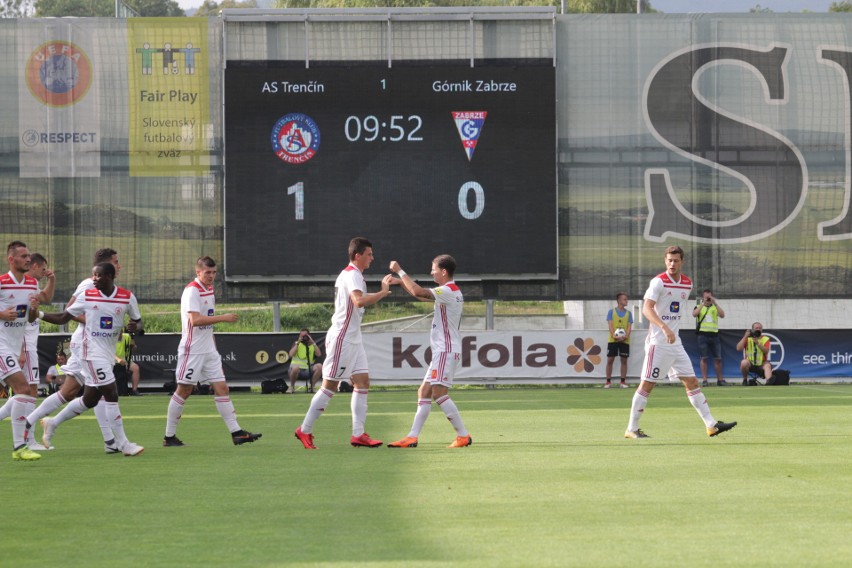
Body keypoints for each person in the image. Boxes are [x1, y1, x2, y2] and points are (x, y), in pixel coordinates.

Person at [624, 246, 737, 439]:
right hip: (658, 342)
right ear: (665, 261)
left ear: (682, 262)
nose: (672, 264)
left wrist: (671, 330)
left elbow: (673, 310)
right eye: (669, 260)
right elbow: (647, 309)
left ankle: (711, 425)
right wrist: (664, 327)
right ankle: (631, 429)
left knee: (692, 382)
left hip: (675, 343)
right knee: (647, 385)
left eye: (676, 261)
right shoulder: (658, 282)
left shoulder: (687, 284)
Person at [294, 237, 397, 450]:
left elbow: (358, 301)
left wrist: (379, 292)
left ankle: (358, 434)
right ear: (357, 255)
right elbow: (358, 301)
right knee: (329, 386)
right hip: (343, 337)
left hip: (353, 337)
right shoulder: (352, 275)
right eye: (369, 254)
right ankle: (304, 430)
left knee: (362, 382)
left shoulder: (351, 274)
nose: (372, 258)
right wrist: (383, 292)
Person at [33, 262, 145, 456]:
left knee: (90, 399)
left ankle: (52, 423)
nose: (94, 279)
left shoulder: (127, 297)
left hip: (107, 354)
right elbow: (63, 317)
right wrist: (39, 314)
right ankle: (123, 443)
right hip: (90, 353)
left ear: (110, 276)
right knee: (111, 393)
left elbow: (139, 321)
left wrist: (137, 327)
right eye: (93, 275)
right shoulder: (87, 295)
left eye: (98, 275)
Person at [163, 256, 261, 447]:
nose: (211, 276)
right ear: (198, 272)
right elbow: (195, 321)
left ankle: (237, 433)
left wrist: (213, 344)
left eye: (214, 272)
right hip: (193, 350)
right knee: (184, 390)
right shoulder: (192, 290)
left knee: (222, 388)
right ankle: (169, 436)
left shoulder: (209, 289)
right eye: (207, 272)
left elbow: (205, 320)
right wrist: (223, 318)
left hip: (208, 350)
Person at [387, 256, 472, 449]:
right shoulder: (450, 290)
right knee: (424, 391)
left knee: (439, 393)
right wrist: (401, 283)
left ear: (443, 272)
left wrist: (400, 271)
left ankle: (463, 435)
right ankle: (412, 437)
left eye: (433, 269)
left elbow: (419, 291)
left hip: (445, 351)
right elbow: (420, 294)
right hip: (443, 351)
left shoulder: (448, 290)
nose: (431, 272)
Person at [0, 252, 55, 451]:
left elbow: (34, 313)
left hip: (20, 345)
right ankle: (26, 442)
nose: (42, 271)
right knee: (28, 391)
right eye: (25, 257)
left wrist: (34, 308)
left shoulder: (31, 285)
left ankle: (24, 443)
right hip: (20, 346)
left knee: (23, 392)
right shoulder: (4, 282)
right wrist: (23, 350)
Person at [693, 288, 727, 386]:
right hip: (702, 335)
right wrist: (703, 304)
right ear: (703, 297)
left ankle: (720, 380)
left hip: (714, 335)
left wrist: (715, 303)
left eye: (709, 296)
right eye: (706, 297)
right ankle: (704, 380)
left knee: (718, 358)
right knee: (704, 358)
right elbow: (694, 314)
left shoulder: (714, 307)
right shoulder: (699, 306)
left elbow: (722, 315)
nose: (708, 298)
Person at [604, 292, 632, 389]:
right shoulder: (611, 312)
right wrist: (614, 336)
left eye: (626, 299)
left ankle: (623, 382)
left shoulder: (629, 313)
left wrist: (626, 336)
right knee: (610, 360)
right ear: (619, 300)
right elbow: (610, 325)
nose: (626, 301)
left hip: (625, 340)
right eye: (625, 299)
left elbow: (629, 327)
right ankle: (608, 382)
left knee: (624, 361)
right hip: (613, 340)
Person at [288, 328, 322, 393]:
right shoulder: (296, 343)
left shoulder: (312, 345)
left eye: (305, 336)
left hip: (308, 370)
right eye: (302, 336)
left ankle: (312, 387)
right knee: (295, 367)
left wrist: (313, 342)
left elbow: (319, 354)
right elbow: (291, 354)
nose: (304, 338)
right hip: (296, 371)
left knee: (319, 366)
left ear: (309, 335)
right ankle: (291, 387)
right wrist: (298, 343)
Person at [115, 330, 142, 396]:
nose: (119, 332)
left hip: (125, 360)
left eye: (120, 331)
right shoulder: (110, 339)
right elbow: (108, 352)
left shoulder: (127, 337)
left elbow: (134, 349)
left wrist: (133, 345)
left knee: (135, 368)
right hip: (111, 359)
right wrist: (118, 360)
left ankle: (134, 390)